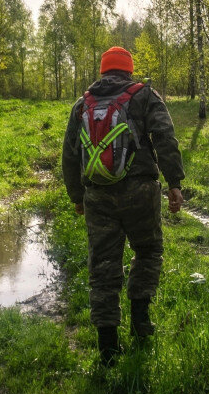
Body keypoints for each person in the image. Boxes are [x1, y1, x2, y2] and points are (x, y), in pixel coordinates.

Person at [62, 45, 185, 366]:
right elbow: (166, 138)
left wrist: (77, 197)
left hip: (97, 195)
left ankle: (107, 349)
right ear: (128, 70)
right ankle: (141, 324)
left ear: (103, 71)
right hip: (141, 192)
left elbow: (70, 154)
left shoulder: (82, 104)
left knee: (102, 267)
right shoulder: (144, 95)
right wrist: (174, 183)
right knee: (146, 252)